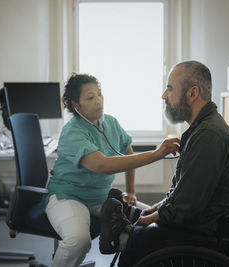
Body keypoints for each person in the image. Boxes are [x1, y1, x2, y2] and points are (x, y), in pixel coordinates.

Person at [99, 61, 229, 266]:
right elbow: (182, 191)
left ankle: (127, 235)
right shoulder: (201, 129)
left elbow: (187, 205)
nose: (163, 95)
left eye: (170, 88)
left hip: (209, 235)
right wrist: (155, 209)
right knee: (143, 229)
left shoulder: (208, 135)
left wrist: (148, 220)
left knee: (138, 241)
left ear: (192, 93)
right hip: (207, 223)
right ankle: (129, 229)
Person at [45, 73, 180, 267]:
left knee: (151, 223)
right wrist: (157, 153)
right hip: (69, 197)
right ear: (76, 105)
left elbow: (128, 152)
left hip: (101, 199)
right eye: (90, 98)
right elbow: (103, 165)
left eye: (100, 94)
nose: (99, 101)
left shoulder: (110, 123)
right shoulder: (72, 132)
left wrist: (131, 191)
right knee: (79, 241)